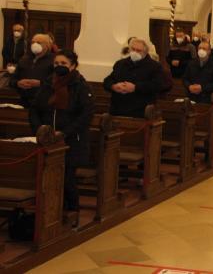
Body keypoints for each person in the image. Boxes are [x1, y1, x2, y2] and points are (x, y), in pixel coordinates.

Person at [29, 50, 94, 213]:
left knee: (67, 179)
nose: (59, 66)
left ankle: (72, 212)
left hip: (72, 139)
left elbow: (85, 115)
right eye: (57, 63)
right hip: (47, 138)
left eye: (63, 64)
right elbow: (35, 108)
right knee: (47, 178)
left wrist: (64, 133)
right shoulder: (48, 83)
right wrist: (40, 130)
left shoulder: (81, 86)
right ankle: (52, 211)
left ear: (73, 65)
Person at [103, 39, 166, 117]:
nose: (135, 52)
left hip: (140, 111)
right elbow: (107, 81)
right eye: (133, 49)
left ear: (145, 52)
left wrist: (136, 87)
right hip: (118, 109)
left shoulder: (154, 66)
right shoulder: (120, 64)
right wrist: (113, 86)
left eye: (138, 50)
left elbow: (158, 85)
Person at [10, 33, 55, 107]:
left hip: (45, 102)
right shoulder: (24, 59)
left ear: (47, 45)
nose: (35, 44)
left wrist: (40, 83)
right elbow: (12, 80)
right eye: (33, 42)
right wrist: (18, 83)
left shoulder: (54, 60)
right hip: (24, 101)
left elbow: (57, 82)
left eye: (39, 42)